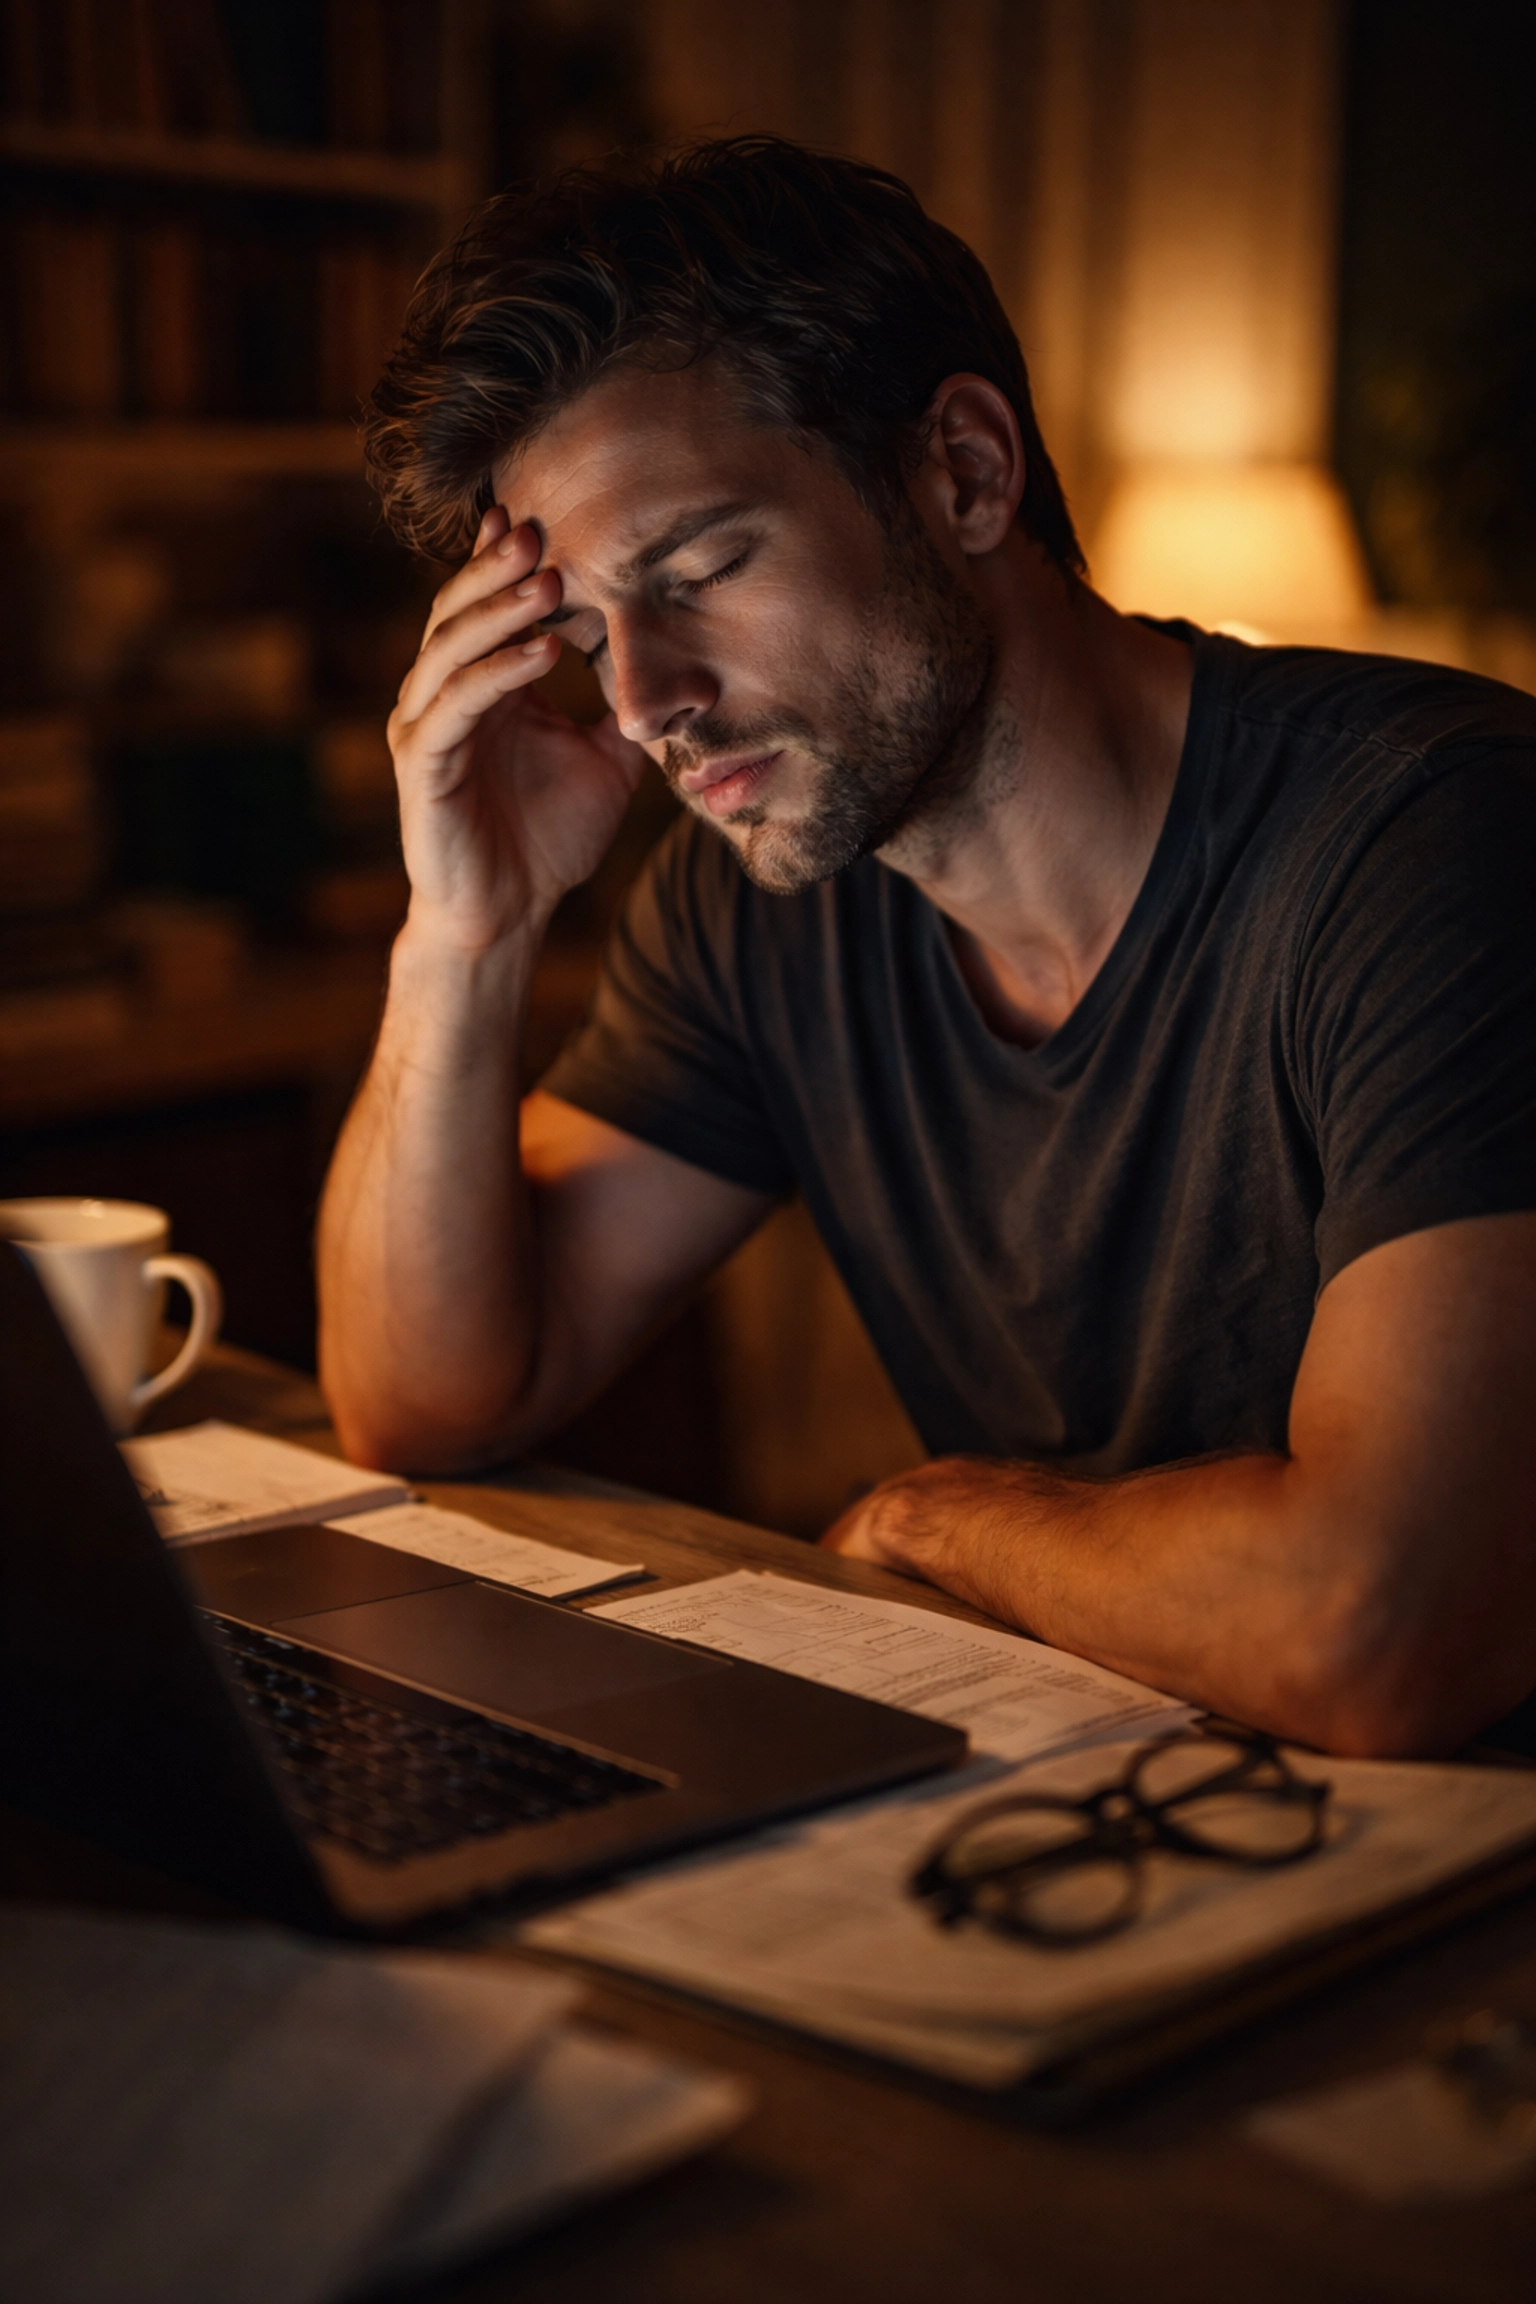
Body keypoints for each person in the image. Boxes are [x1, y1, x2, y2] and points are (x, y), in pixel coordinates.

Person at [317, 138, 1536, 1759]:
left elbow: (1383, 1628)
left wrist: (939, 1522)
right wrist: (463, 929)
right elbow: (425, 1398)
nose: (639, 700)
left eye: (696, 572)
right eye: (590, 633)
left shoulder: (1437, 837)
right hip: (1124, 1814)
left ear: (963, 469)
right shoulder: (758, 907)